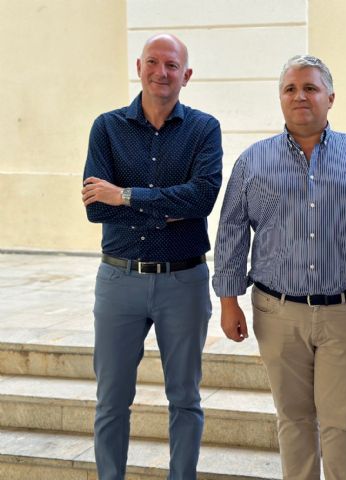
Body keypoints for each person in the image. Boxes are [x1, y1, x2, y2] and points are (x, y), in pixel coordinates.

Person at [212, 55, 346, 480]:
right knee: (293, 420)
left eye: (311, 88)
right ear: (280, 99)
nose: (300, 96)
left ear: (330, 98)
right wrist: (229, 301)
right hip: (277, 313)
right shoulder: (253, 161)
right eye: (290, 89)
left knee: (343, 423)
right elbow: (231, 231)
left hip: (345, 313)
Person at [81, 33, 222, 480]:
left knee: (184, 398)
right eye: (154, 63)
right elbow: (95, 208)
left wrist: (126, 196)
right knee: (111, 400)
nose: (162, 72)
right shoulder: (106, 127)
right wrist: (166, 207)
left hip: (184, 282)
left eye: (172, 65)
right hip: (119, 281)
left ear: (187, 75)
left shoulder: (204, 129)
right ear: (139, 66)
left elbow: (201, 200)